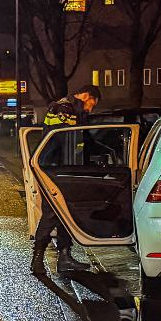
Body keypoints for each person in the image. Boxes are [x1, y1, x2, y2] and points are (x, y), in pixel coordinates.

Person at [31, 84, 102, 275]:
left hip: (62, 168)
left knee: (66, 213)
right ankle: (37, 260)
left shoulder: (71, 110)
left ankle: (65, 257)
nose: (91, 108)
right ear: (86, 96)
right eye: (92, 103)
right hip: (53, 169)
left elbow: (80, 139)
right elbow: (66, 139)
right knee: (51, 213)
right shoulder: (63, 109)